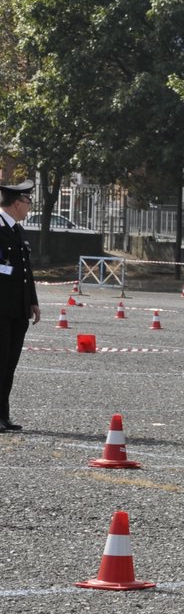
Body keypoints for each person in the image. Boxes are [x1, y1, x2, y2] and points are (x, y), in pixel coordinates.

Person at [0, 179, 41, 433]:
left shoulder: (17, 230)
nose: (29, 206)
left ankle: (3, 416)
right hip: (0, 308)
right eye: (27, 201)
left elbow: (27, 270)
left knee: (9, 364)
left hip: (17, 309)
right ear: (16, 203)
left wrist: (33, 301)